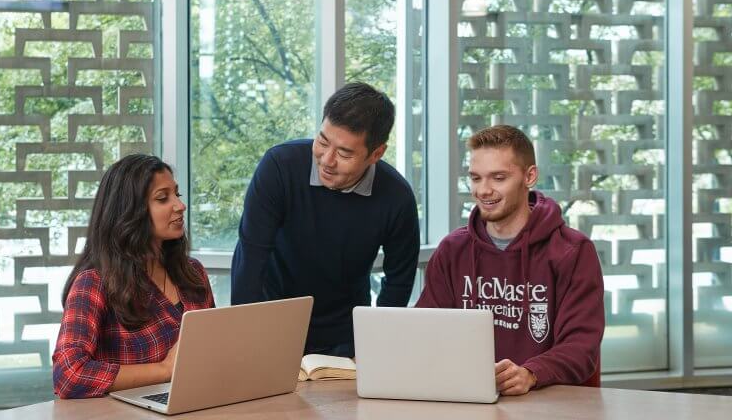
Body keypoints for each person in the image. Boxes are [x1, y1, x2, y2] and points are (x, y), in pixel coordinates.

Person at [231, 82, 420, 357]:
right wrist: (246, 337)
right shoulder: (279, 167)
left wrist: (376, 345)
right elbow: (250, 257)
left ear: (376, 153)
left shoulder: (397, 197)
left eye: (344, 153)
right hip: (273, 324)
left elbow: (398, 281)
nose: (327, 160)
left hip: (346, 335)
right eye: (322, 141)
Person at [416, 125, 604, 395]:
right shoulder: (453, 250)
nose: (483, 190)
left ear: (530, 176)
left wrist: (530, 373)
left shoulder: (572, 251)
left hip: (553, 405)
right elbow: (426, 332)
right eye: (476, 178)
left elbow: (581, 347)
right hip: (468, 400)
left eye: (498, 178)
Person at [52, 154, 215, 399]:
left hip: (199, 405)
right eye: (163, 198)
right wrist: (165, 369)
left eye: (177, 195)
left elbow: (216, 348)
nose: (180, 206)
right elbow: (69, 375)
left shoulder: (193, 273)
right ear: (129, 212)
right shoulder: (94, 283)